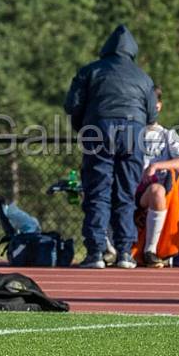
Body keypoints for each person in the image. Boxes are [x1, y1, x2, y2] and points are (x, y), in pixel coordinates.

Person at [65, 25, 157, 269]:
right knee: (126, 194)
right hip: (133, 134)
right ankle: (125, 252)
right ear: (132, 51)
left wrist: (84, 128)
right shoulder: (143, 78)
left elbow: (71, 105)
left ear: (106, 49)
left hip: (99, 130)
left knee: (97, 192)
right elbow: (150, 116)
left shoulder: (90, 71)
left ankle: (96, 252)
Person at [136, 86, 179, 267]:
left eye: (149, 104)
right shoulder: (127, 133)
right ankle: (108, 251)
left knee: (158, 191)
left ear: (158, 106)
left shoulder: (168, 135)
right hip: (126, 188)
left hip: (149, 191)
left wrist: (156, 165)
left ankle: (150, 251)